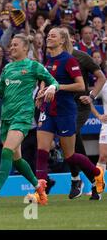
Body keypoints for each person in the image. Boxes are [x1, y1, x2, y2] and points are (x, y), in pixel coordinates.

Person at [0, 34, 58, 205]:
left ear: (25, 48)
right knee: (17, 160)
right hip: (6, 118)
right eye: (11, 45)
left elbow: (53, 81)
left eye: (15, 45)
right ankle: (39, 188)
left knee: (6, 150)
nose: (12, 47)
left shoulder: (33, 66)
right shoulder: (7, 68)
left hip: (22, 117)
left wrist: (51, 88)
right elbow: (1, 90)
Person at [35, 28, 105, 201]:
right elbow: (47, 79)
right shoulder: (49, 59)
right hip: (48, 110)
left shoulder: (70, 59)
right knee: (42, 151)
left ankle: (97, 174)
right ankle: (40, 192)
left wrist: (58, 87)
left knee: (70, 155)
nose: (49, 37)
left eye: (53, 35)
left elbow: (81, 85)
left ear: (62, 41)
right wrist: (41, 92)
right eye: (48, 35)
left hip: (66, 111)